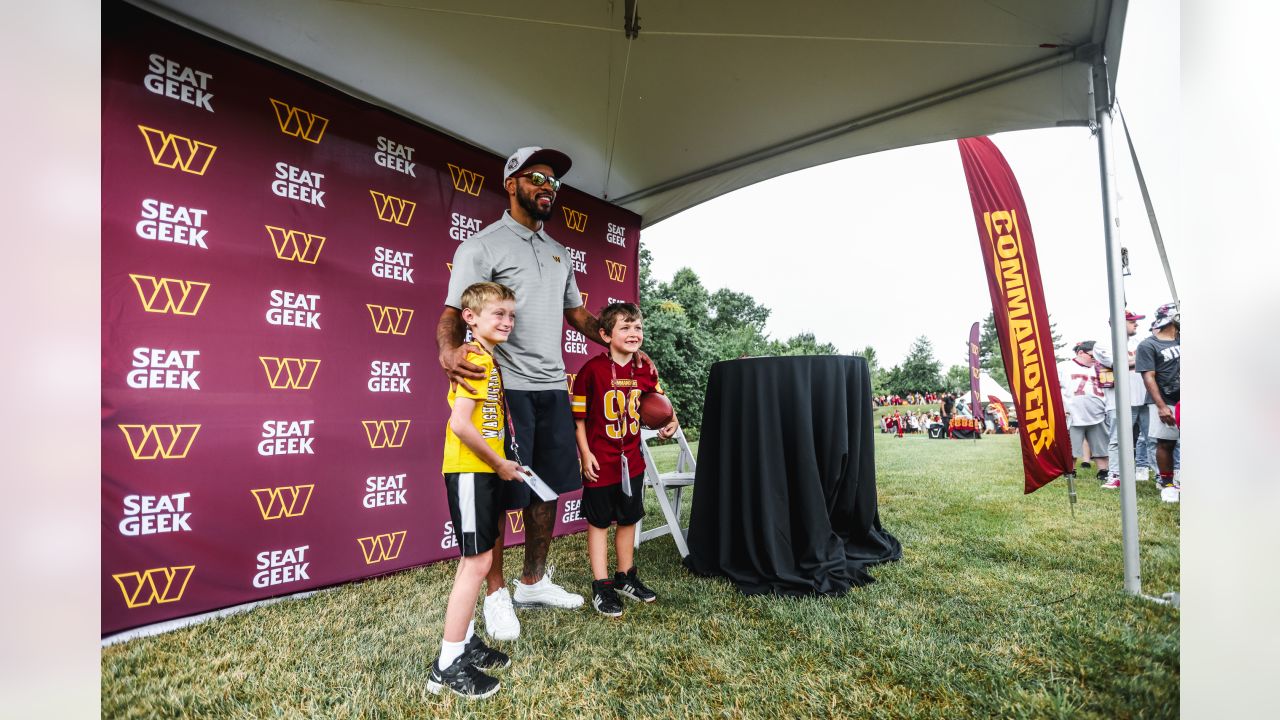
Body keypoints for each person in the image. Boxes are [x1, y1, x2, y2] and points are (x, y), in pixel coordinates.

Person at [438, 146, 623, 640]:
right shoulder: (482, 246)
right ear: (511, 183)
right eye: (537, 177)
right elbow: (454, 313)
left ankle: (534, 581)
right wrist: (446, 354)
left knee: (547, 491)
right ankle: (496, 595)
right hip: (506, 390)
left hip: (551, 388)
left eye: (554, 182)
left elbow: (577, 315)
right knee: (500, 493)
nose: (548, 187)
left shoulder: (559, 252)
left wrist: (617, 339)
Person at [428, 282, 521, 699]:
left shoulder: (485, 356)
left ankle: (463, 642)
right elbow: (460, 424)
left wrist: (504, 456)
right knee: (477, 563)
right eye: (497, 314)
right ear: (470, 318)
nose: (507, 321)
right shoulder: (475, 357)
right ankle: (447, 664)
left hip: (483, 470)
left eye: (511, 315)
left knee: (476, 560)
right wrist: (498, 462)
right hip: (471, 471)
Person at [571, 302, 678, 617]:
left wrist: (671, 421)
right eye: (625, 327)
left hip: (632, 458)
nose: (634, 333)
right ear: (605, 334)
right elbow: (578, 420)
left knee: (629, 518)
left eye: (638, 327)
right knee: (600, 522)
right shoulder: (591, 371)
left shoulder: (645, 367)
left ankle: (625, 577)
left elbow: (659, 406)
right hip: (600, 459)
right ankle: (601, 584)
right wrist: (585, 453)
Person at [1095, 310, 1150, 489]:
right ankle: (1115, 476)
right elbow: (1117, 364)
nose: (1136, 324)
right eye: (1132, 321)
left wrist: (1134, 360)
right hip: (1118, 401)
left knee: (1154, 438)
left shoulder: (1139, 342)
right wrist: (1142, 359)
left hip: (1145, 398)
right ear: (1118, 323)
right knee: (1118, 440)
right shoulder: (1102, 343)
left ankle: (1164, 479)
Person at [1136, 303, 1181, 503]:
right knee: (1166, 442)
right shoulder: (1148, 345)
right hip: (1166, 398)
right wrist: (1161, 406)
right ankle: (1167, 484)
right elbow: (1149, 376)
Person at [1058, 341, 1109, 479]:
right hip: (1073, 413)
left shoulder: (1101, 367)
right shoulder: (1064, 366)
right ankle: (1070, 470)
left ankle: (1103, 470)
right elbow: (1053, 389)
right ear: (1081, 352)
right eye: (1092, 356)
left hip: (1098, 412)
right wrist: (1061, 407)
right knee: (1071, 446)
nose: (1095, 358)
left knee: (1101, 444)